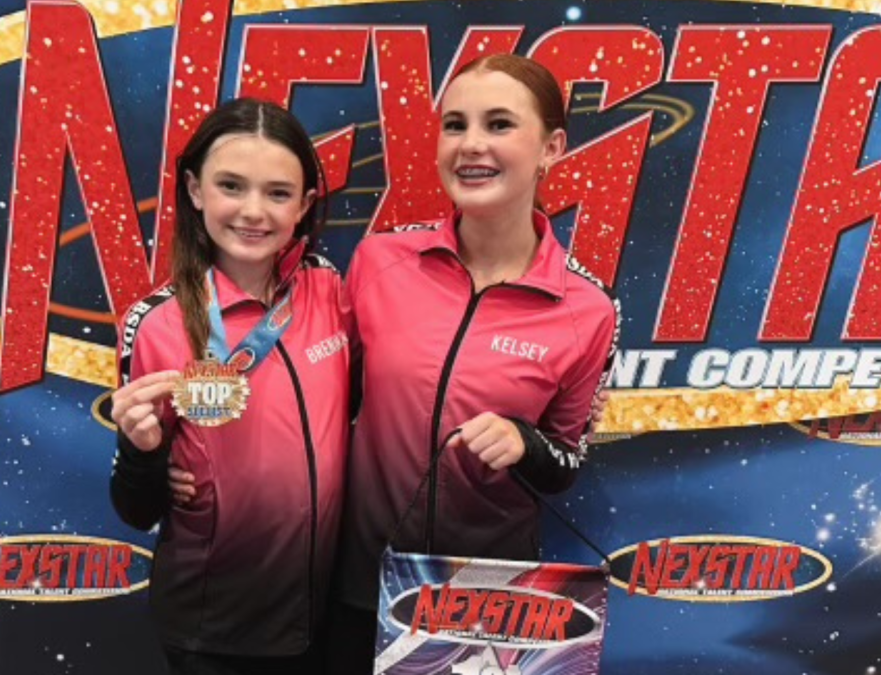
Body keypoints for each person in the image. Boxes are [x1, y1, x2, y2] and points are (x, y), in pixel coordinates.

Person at [327, 53, 621, 673]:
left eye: (499, 124)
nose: (471, 144)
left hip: (486, 608)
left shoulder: (588, 309)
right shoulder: (380, 261)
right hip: (361, 586)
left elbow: (566, 462)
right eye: (455, 124)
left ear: (552, 147)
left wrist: (524, 442)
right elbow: (324, 406)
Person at [108, 98, 349, 675]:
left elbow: (350, 414)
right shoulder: (156, 323)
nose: (253, 211)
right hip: (216, 630)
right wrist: (141, 453)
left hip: (327, 612)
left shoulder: (328, 290)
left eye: (278, 193)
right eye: (231, 186)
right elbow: (136, 509)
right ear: (195, 190)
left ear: (305, 205)